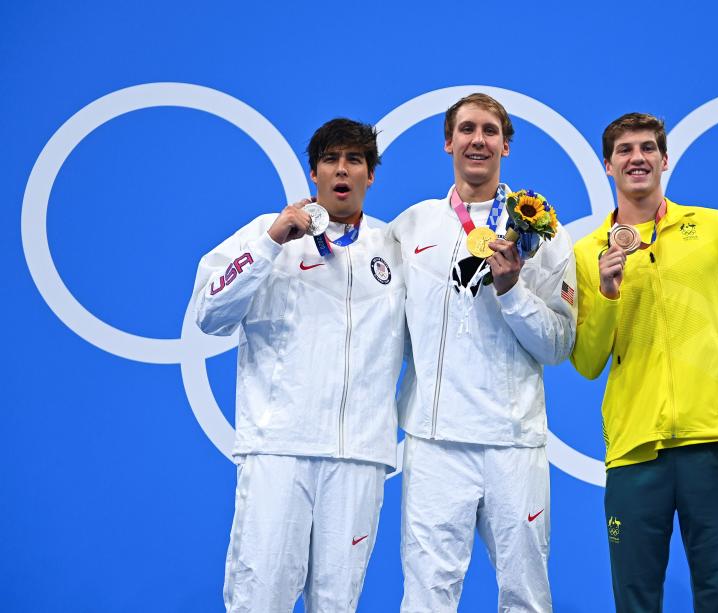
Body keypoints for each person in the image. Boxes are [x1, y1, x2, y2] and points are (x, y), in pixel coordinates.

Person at [570, 113, 718, 613]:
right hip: (635, 453)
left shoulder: (713, 228)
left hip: (714, 446)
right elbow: (585, 361)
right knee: (635, 603)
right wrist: (606, 293)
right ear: (607, 165)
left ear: (664, 160)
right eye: (624, 150)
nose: (637, 158)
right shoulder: (586, 253)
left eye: (647, 148)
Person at [192, 118, 404, 613]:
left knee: (337, 604)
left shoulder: (394, 248)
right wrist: (269, 244)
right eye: (331, 159)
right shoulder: (269, 234)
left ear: (370, 175)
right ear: (314, 173)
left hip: (360, 456)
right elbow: (208, 313)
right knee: (259, 598)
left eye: (354, 159)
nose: (342, 169)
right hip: (280, 450)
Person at [388, 93, 577, 612]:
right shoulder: (412, 227)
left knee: (526, 598)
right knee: (426, 597)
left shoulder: (544, 231)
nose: (478, 140)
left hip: (512, 444)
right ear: (449, 141)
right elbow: (383, 332)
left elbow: (560, 344)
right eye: (467, 129)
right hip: (434, 443)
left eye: (490, 131)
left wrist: (513, 290)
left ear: (506, 146)